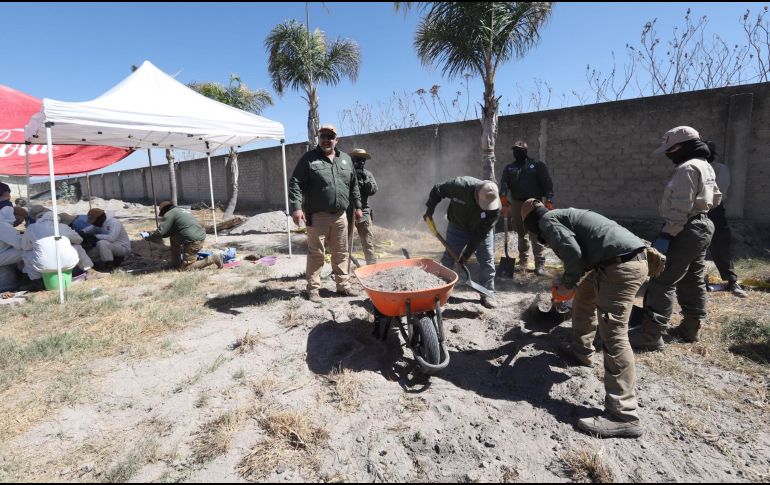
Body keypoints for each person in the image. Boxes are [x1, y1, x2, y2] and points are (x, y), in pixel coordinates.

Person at [521, 199, 648, 438]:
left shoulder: (547, 221)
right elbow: (581, 252)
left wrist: (567, 284)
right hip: (612, 262)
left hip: (621, 267)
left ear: (531, 224)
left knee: (614, 335)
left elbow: (573, 254)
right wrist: (568, 284)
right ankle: (581, 352)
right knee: (584, 298)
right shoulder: (561, 216)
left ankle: (623, 415)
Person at [631, 126, 721, 351]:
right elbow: (717, 198)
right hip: (702, 225)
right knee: (692, 278)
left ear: (682, 146)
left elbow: (681, 207)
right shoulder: (705, 166)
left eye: (670, 149)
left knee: (662, 279)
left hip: (684, 228)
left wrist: (668, 234)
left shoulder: (687, 168)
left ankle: (651, 335)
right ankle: (690, 329)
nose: (668, 154)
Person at [288, 124, 362, 302]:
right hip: (317, 215)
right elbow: (295, 183)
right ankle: (313, 289)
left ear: (336, 140)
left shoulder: (345, 159)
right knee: (316, 253)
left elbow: (354, 185)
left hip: (341, 215)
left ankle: (343, 286)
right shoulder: (309, 159)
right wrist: (297, 208)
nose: (326, 140)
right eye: (323, 136)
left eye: (330, 137)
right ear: (318, 138)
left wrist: (358, 206)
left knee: (341, 252)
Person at [424, 176, 500, 308]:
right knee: (449, 257)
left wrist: (466, 255)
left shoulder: (494, 208)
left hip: (481, 230)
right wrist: (430, 210)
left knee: (487, 259)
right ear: (476, 194)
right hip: (457, 227)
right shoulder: (459, 186)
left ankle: (487, 292)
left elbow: (479, 235)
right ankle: (441, 290)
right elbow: (437, 190)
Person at [499, 140, 554, 276]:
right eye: (515, 150)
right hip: (517, 203)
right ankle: (523, 260)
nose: (516, 152)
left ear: (525, 151)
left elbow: (547, 183)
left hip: (534, 203)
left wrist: (549, 200)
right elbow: (504, 184)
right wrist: (503, 199)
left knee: (535, 231)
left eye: (519, 149)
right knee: (520, 232)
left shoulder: (537, 165)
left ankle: (539, 264)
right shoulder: (510, 168)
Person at [704, 141, 747, 298]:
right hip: (693, 211)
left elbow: (718, 193)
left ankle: (731, 281)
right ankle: (695, 282)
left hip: (714, 211)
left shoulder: (719, 169)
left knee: (720, 245)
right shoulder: (692, 168)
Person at [20, 208, 109, 281]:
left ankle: (36, 281)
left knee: (25, 253)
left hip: (43, 266)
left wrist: (37, 246)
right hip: (68, 263)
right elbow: (79, 240)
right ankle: (90, 271)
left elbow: (25, 247)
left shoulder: (31, 228)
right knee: (77, 247)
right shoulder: (63, 227)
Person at [140, 201, 223, 271]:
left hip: (193, 242)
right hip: (198, 237)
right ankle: (175, 263)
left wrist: (149, 237)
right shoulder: (181, 210)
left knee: (187, 268)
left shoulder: (169, 214)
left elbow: (161, 232)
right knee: (173, 237)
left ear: (164, 210)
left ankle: (213, 259)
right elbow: (168, 232)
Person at [347, 148, 378, 265]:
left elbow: (373, 190)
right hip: (347, 212)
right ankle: (343, 267)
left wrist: (365, 180)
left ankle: (371, 265)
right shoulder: (345, 173)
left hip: (364, 212)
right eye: (357, 159)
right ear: (352, 159)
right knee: (343, 241)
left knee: (367, 240)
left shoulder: (368, 174)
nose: (360, 162)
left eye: (363, 160)